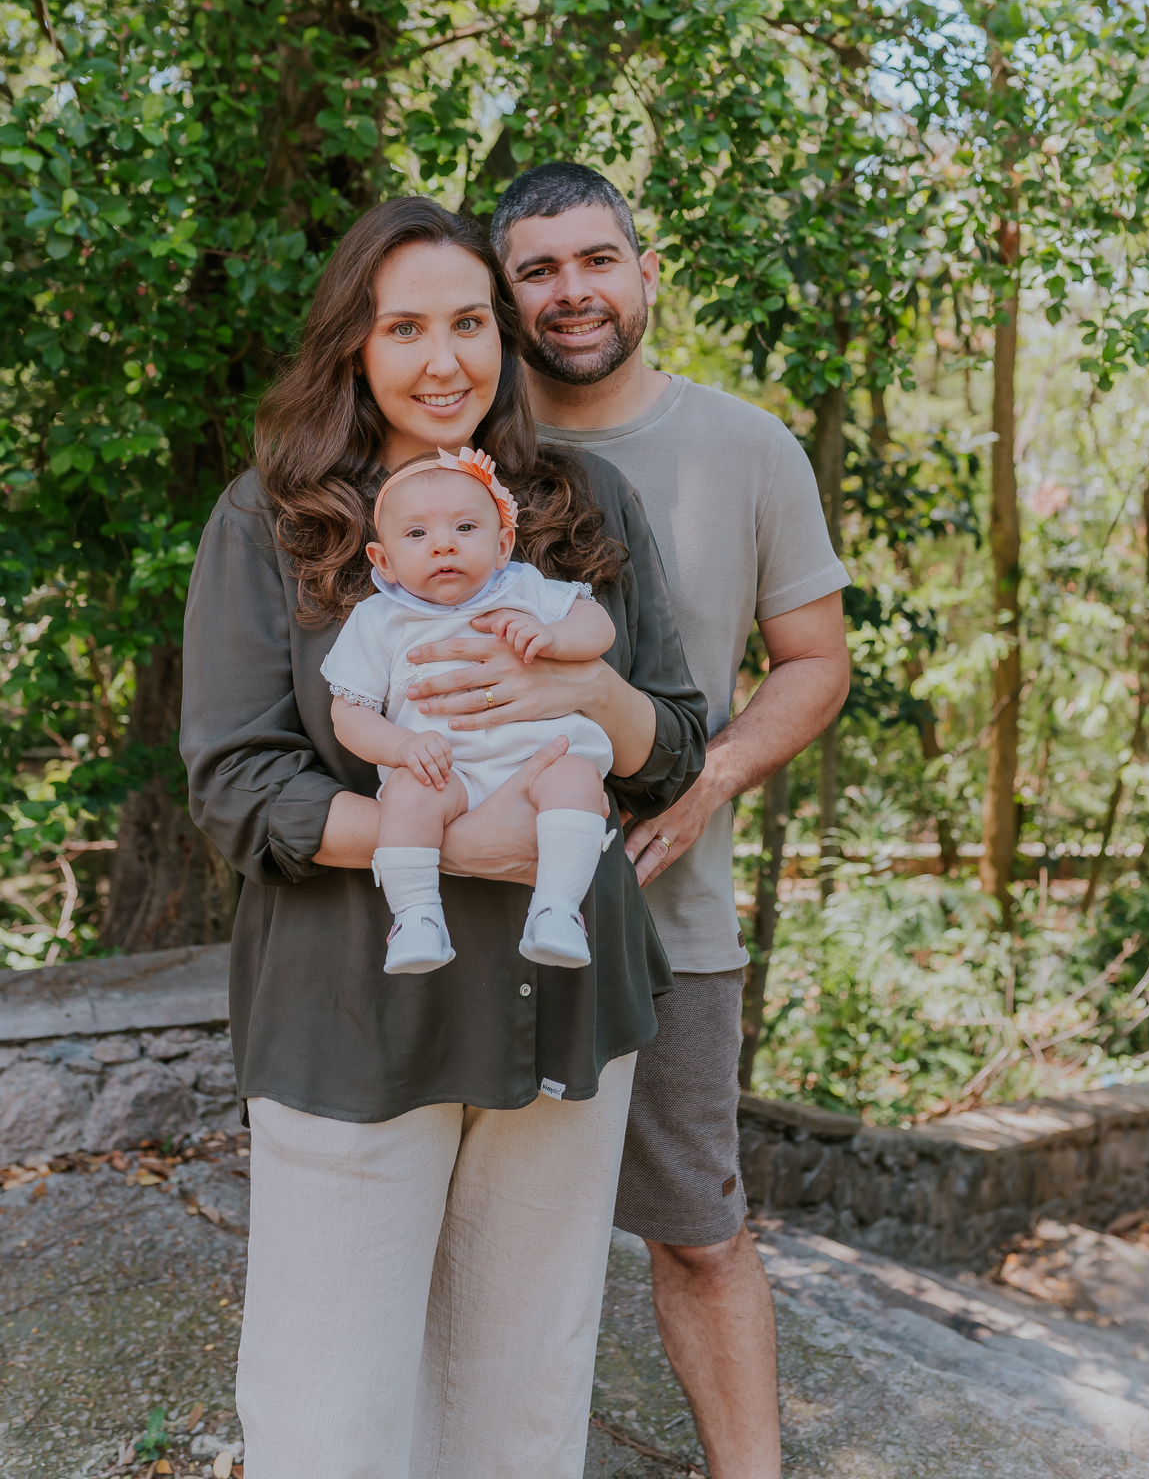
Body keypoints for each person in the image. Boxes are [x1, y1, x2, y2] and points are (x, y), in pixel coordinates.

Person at [180, 196, 707, 1479]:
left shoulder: (583, 502)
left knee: (521, 1400)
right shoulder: (272, 519)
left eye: (469, 322)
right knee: (331, 1412)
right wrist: (455, 845)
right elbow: (238, 783)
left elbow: (677, 746)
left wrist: (588, 691)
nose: (443, 360)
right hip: (356, 1012)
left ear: (504, 335)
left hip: (560, 1003)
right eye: (404, 327)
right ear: (352, 344)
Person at [480, 160, 850, 1479]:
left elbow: (817, 661)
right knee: (476, 1239)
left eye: (596, 260)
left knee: (698, 1231)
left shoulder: (749, 448)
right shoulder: (457, 446)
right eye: (537, 270)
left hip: (668, 926)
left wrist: (713, 778)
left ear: (645, 272)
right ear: (503, 297)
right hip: (468, 915)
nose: (571, 291)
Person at [323, 443, 620, 972]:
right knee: (408, 795)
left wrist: (553, 636)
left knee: (576, 777)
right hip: (446, 773)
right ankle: (416, 918)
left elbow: (598, 625)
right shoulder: (377, 620)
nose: (443, 545)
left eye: (465, 527)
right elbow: (348, 713)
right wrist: (403, 746)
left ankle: (557, 910)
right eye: (417, 534)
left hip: (540, 761)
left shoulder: (524, 589)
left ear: (503, 544)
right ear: (383, 560)